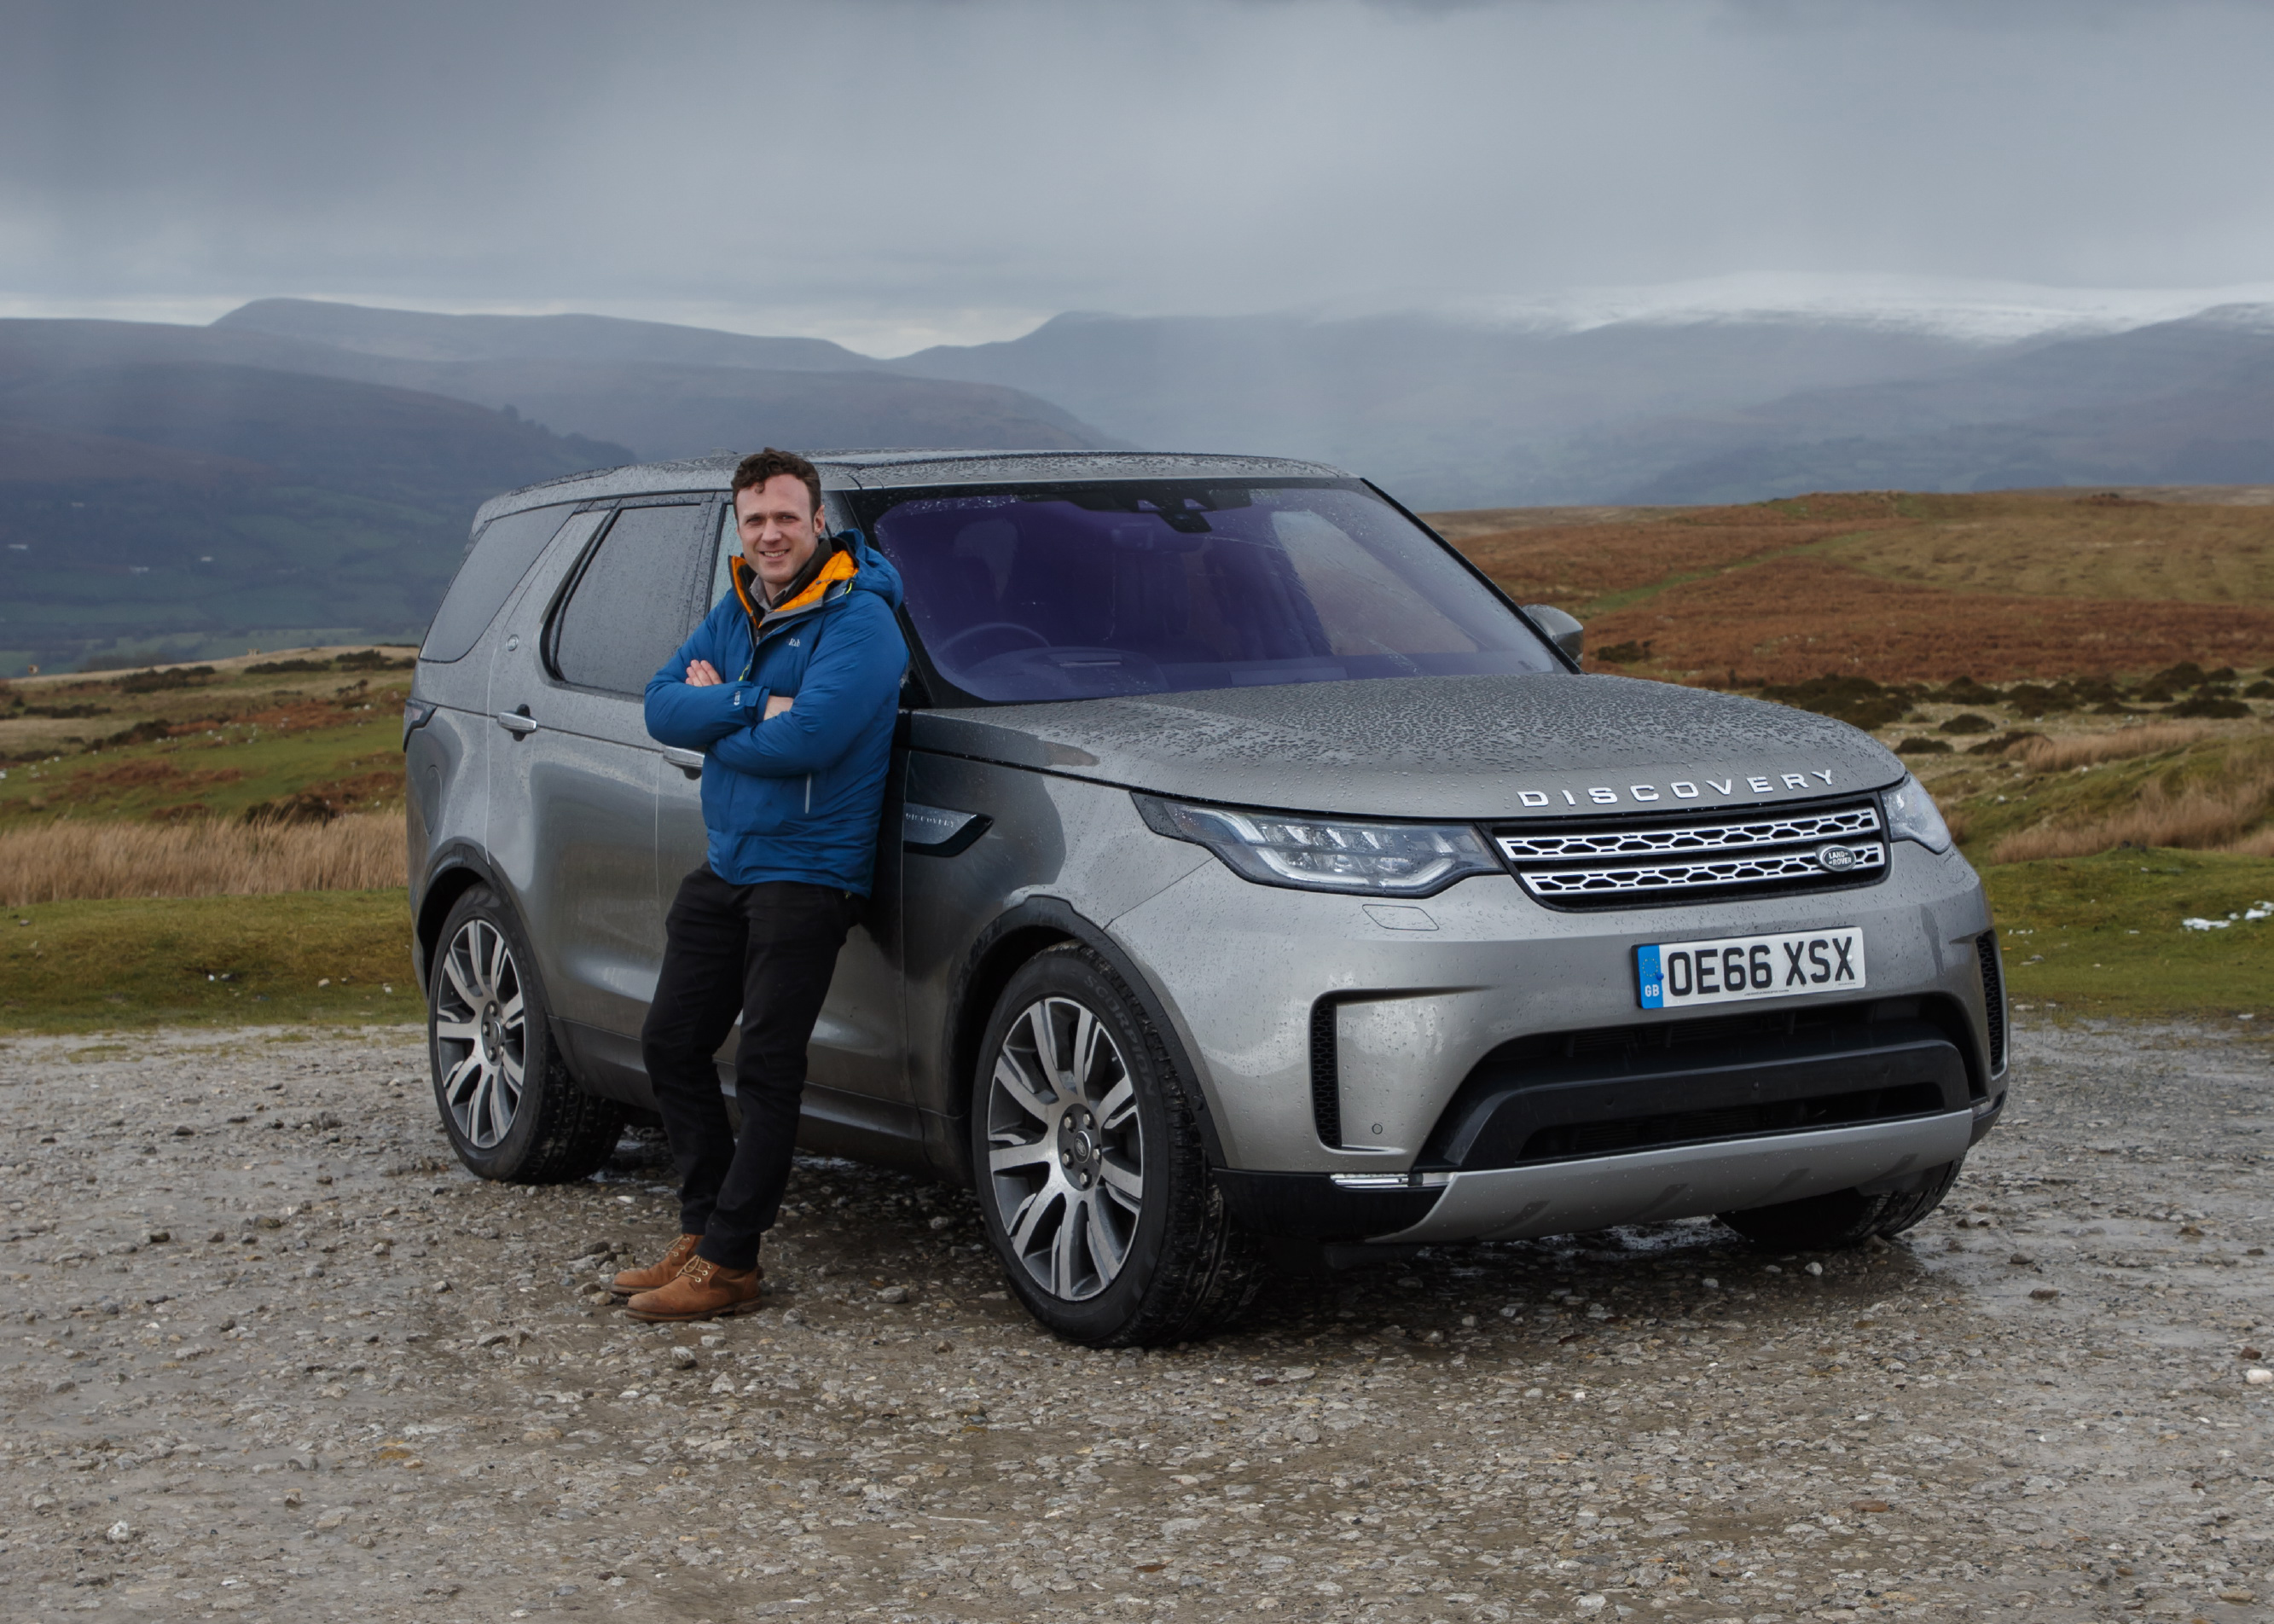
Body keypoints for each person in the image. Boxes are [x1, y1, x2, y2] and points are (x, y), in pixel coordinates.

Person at [610, 448, 908, 1322]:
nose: (769, 533)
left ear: (819, 520)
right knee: (670, 1041)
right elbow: (661, 703)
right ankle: (703, 1231)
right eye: (753, 520)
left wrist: (721, 711)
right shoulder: (738, 606)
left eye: (785, 516)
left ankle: (733, 1259)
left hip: (810, 868)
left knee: (768, 1064)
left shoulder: (859, 621)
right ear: (738, 530)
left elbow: (809, 741)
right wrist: (750, 702)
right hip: (732, 859)